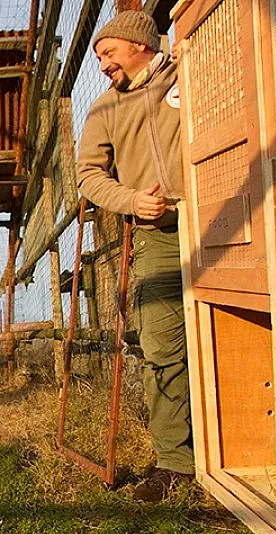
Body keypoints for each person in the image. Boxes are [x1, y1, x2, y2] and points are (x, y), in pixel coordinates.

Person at [76, 10, 194, 502]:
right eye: (99, 56)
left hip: (222, 219)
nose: (102, 64)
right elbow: (88, 175)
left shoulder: (189, 69)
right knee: (163, 346)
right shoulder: (104, 109)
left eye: (108, 52)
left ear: (140, 44)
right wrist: (131, 200)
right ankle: (177, 463)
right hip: (158, 233)